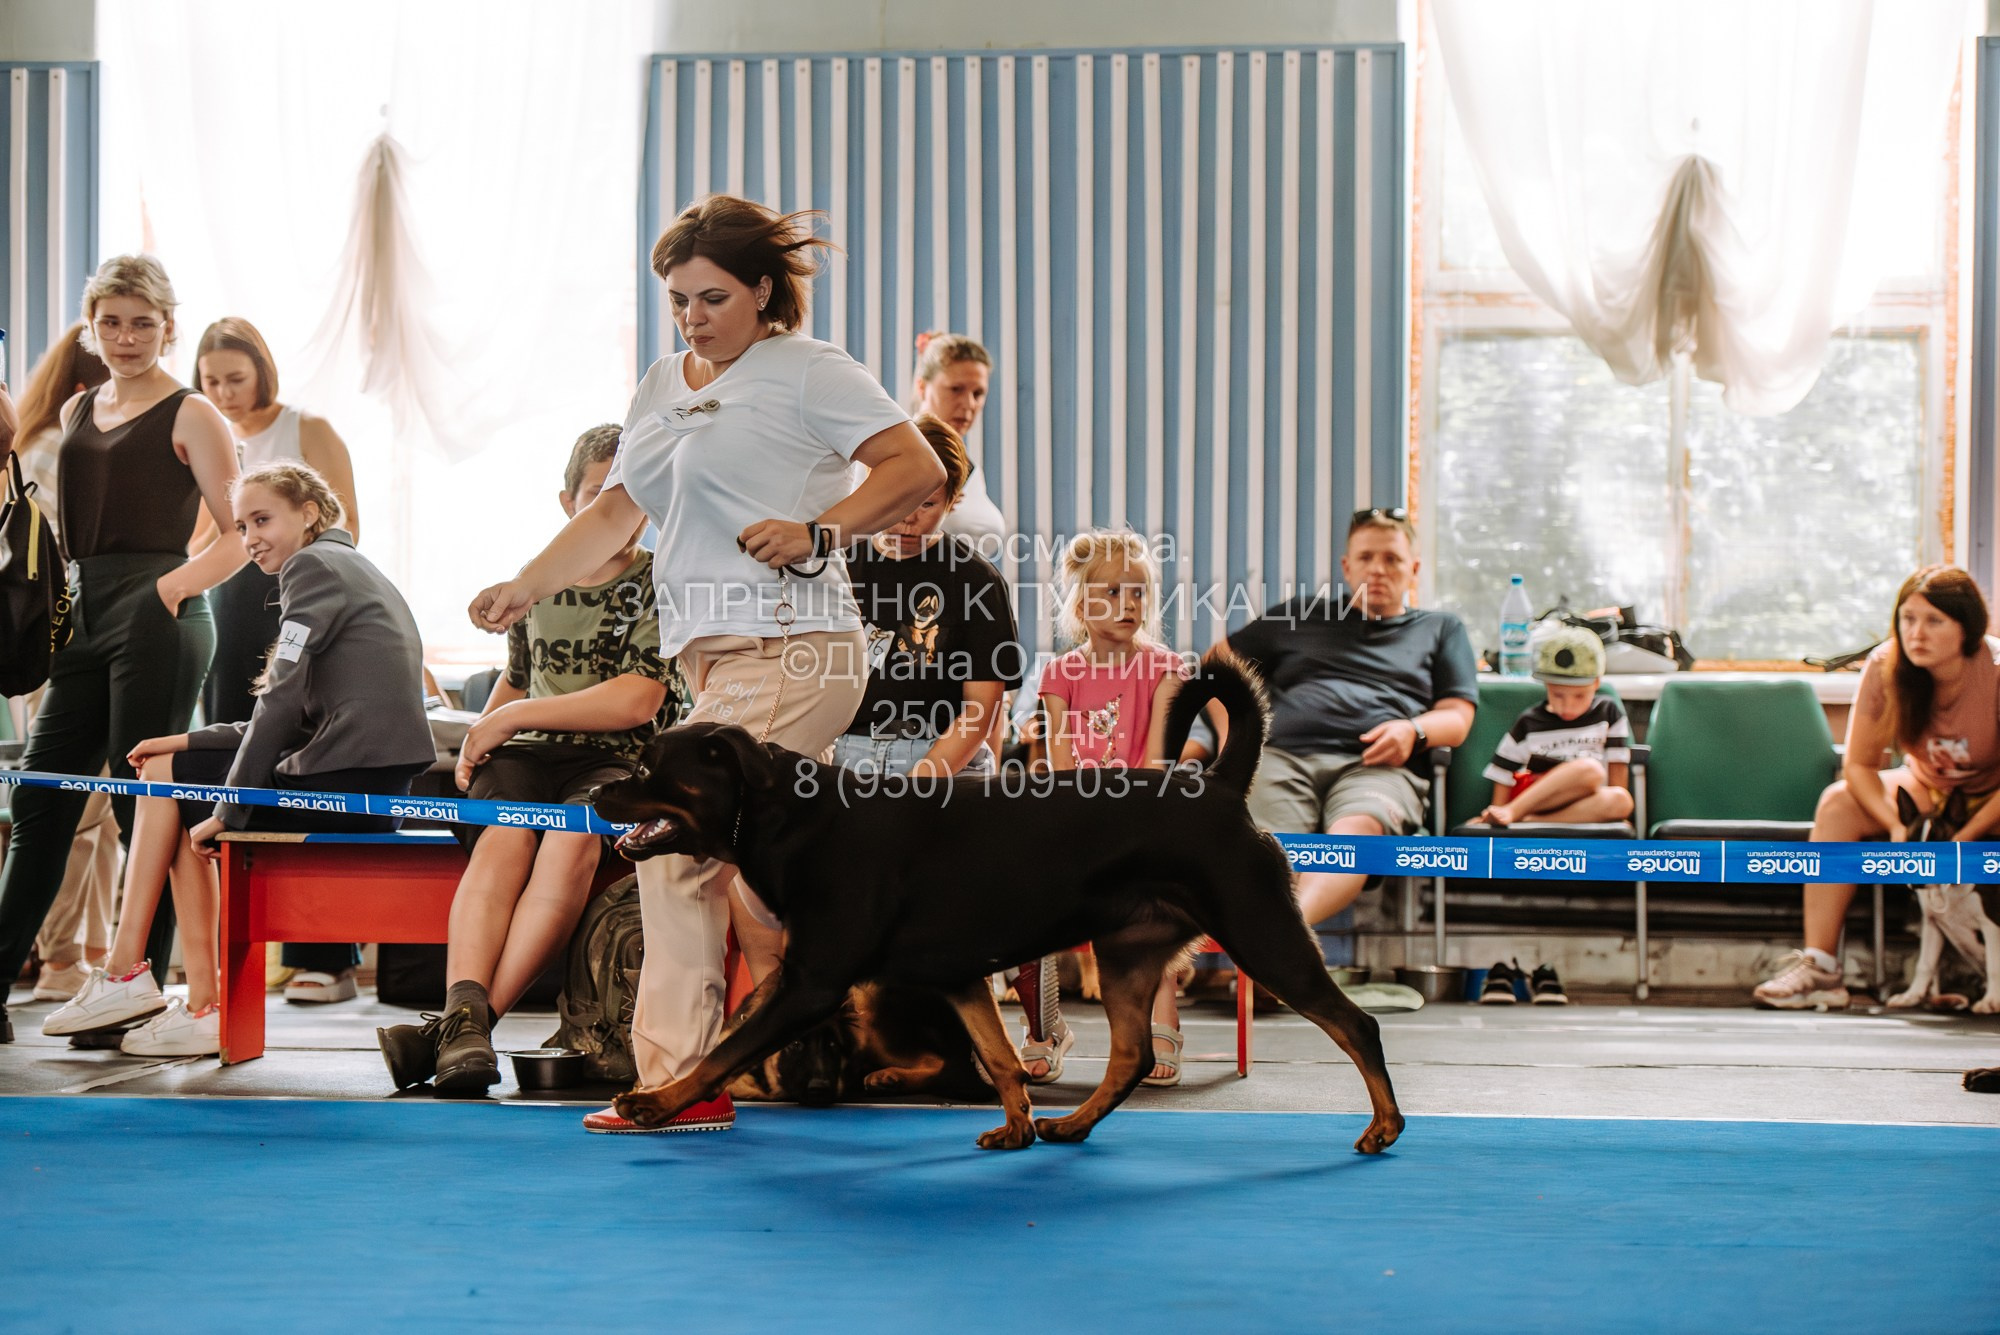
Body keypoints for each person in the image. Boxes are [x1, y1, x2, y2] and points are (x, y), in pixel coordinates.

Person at [468, 194, 945, 1134]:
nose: (692, 315)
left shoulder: (810, 372)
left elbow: (916, 467)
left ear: (764, 292)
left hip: (798, 648)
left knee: (671, 850)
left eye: (712, 297)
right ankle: (817, 1037)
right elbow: (615, 513)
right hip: (713, 668)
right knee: (742, 872)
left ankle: (680, 1084)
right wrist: (527, 583)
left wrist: (821, 528)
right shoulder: (659, 384)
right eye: (679, 298)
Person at [40, 462, 434, 1055]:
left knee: (169, 785)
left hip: (347, 786)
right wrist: (184, 742)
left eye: (262, 519)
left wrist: (231, 805)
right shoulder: (346, 567)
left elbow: (278, 701)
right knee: (165, 773)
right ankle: (193, 1000)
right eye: (242, 525)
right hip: (362, 778)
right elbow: (290, 711)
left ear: (309, 513)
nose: (249, 538)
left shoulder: (313, 567)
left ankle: (139, 978)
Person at [377, 425, 680, 1094]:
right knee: (505, 837)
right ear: (570, 501)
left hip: (617, 762)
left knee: (566, 846)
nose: (617, 514)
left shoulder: (660, 580)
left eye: (634, 499)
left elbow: (635, 699)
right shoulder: (536, 584)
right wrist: (487, 729)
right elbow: (520, 677)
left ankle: (459, 1030)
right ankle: (465, 1026)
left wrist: (509, 715)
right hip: (529, 757)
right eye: (600, 495)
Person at [0, 255, 243, 1046]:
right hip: (81, 608)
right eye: (112, 321)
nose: (127, 336)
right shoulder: (76, 410)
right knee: (41, 794)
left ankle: (137, 983)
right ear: (92, 326)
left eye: (143, 322)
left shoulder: (192, 412)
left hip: (159, 614)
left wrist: (171, 589)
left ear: (168, 326)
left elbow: (240, 532)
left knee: (145, 802)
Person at [193, 316, 367, 1002]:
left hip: (302, 603)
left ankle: (327, 953)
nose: (225, 392)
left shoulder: (308, 428)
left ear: (262, 370)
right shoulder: (208, 439)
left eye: (236, 378)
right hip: (228, 613)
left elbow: (348, 522)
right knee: (236, 766)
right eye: (210, 382)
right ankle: (238, 960)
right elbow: (206, 537)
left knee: (303, 762)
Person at [1213, 507, 1477, 929]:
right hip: (1281, 758)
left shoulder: (1440, 628)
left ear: (1414, 568)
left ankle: (1279, 943)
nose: (1378, 569)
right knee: (1267, 847)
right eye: (1366, 557)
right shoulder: (1300, 613)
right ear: (1346, 565)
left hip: (1378, 767)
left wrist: (1414, 730)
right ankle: (1277, 957)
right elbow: (1217, 666)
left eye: (1391, 558)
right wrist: (1235, 739)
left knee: (1358, 835)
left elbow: (1458, 716)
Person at [1754, 566, 2000, 1010]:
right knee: (1838, 804)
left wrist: (1966, 838)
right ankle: (1822, 969)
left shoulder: (1997, 669)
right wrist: (1896, 824)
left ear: (1968, 628)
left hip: (1993, 796)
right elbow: (1861, 765)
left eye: (1934, 621)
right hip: (1930, 788)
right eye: (1907, 619)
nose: (1916, 633)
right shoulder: (1886, 665)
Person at [1027, 529, 1192, 1085]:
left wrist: (1128, 834)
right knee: (1032, 910)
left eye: (1139, 593)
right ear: (1080, 604)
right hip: (1079, 821)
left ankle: (1157, 1024)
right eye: (1113, 593)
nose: (1129, 606)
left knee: (1148, 909)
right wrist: (1083, 831)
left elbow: (1154, 761)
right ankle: (1043, 1027)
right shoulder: (1060, 674)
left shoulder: (1164, 669)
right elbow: (1061, 760)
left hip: (1143, 821)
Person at [4, 323, 121, 1002]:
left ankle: (88, 949)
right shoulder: (62, 446)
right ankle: (60, 956)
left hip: (57, 635)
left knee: (103, 801)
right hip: (65, 636)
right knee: (78, 805)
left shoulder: (41, 442)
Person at [1473, 626, 1634, 828]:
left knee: (1621, 800)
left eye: (1579, 696)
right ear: (1547, 685)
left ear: (1596, 683)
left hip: (1584, 808)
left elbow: (1617, 776)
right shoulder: (1530, 722)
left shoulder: (1609, 713)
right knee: (1590, 768)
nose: (1567, 706)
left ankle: (1528, 822)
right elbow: (1502, 774)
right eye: (1558, 695)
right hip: (1536, 801)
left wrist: (1620, 820)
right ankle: (1515, 812)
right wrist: (1498, 811)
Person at [910, 332, 1005, 550]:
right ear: (922, 387)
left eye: (978, 393)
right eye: (956, 389)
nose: (969, 404)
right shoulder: (892, 454)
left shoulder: (970, 468)